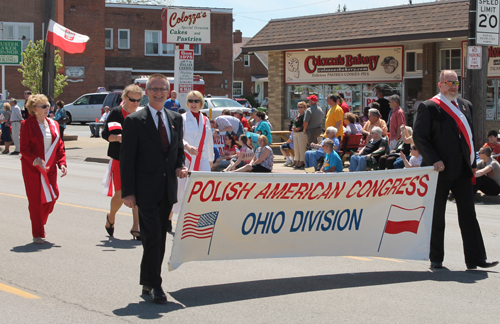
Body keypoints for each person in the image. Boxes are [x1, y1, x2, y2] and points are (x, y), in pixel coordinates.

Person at [413, 69, 498, 270]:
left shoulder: (465, 106)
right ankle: (436, 259)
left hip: (463, 170)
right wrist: (434, 159)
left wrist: (473, 161)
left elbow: (469, 136)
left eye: (456, 83)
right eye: (449, 82)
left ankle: (475, 258)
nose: (453, 86)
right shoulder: (430, 106)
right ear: (440, 84)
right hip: (439, 170)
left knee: (468, 214)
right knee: (437, 215)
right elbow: (420, 137)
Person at [120, 74, 187, 303]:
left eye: (163, 89)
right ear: (146, 92)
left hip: (167, 189)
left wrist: (180, 166)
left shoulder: (176, 118)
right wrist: (127, 192)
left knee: (155, 239)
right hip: (145, 190)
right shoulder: (134, 121)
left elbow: (177, 151)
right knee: (154, 237)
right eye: (154, 89)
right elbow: (127, 159)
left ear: (168, 93)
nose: (159, 93)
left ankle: (147, 282)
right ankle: (156, 285)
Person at [20, 94, 67, 244]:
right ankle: (38, 233)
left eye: (49, 105)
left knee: (53, 196)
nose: (48, 108)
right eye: (44, 106)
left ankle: (40, 221)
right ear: (34, 109)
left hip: (50, 167)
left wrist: (62, 163)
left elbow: (59, 146)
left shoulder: (54, 124)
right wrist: (35, 160)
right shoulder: (27, 124)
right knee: (35, 201)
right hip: (33, 168)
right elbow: (24, 149)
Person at [101, 85, 142, 240]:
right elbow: (107, 135)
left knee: (138, 193)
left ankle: (136, 227)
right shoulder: (117, 113)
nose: (135, 103)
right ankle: (111, 217)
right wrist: (118, 138)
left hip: (139, 159)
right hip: (120, 158)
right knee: (121, 193)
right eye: (132, 100)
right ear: (125, 97)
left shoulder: (142, 113)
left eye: (138, 100)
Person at [171, 90, 213, 217]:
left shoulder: (205, 120)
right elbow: (177, 137)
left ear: (201, 103)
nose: (193, 103)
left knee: (204, 187)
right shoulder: (181, 118)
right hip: (186, 158)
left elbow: (209, 140)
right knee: (180, 190)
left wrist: (211, 159)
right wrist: (187, 146)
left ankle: (197, 215)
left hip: (203, 158)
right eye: (190, 101)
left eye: (196, 101)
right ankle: (169, 216)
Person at [292, 102, 307, 169]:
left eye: (302, 107)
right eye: (299, 107)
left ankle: (302, 161)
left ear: (304, 108)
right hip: (295, 133)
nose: (300, 108)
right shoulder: (298, 115)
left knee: (302, 148)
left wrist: (298, 128)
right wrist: (293, 127)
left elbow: (304, 125)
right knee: (296, 148)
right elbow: (295, 123)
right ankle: (297, 161)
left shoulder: (305, 115)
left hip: (301, 133)